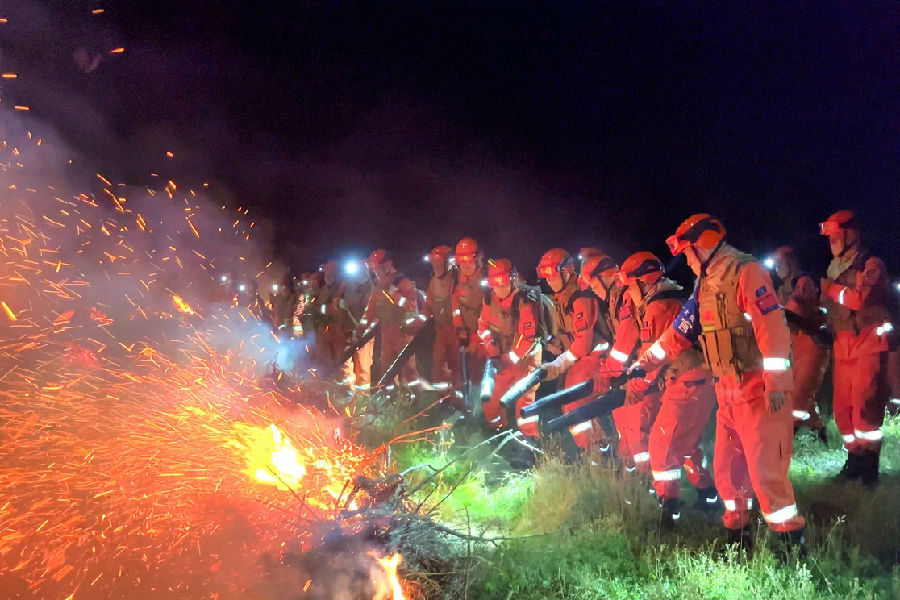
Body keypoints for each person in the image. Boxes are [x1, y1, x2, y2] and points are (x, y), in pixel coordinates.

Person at [636, 214, 805, 552]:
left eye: (687, 252)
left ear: (703, 245)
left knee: (766, 472)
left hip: (757, 389)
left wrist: (775, 380)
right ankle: (738, 539)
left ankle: (791, 545)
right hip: (726, 391)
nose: (685, 259)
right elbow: (680, 332)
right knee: (728, 470)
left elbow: (772, 326)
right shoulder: (705, 284)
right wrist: (645, 362)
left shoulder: (746, 272)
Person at [615, 252, 718, 528]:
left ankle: (668, 514)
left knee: (661, 447)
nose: (628, 293)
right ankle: (708, 495)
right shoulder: (669, 300)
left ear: (642, 283)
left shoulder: (658, 307)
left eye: (630, 286)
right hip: (693, 381)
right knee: (686, 444)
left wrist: (636, 387)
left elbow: (652, 356)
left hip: (687, 382)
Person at [819, 210, 892, 486]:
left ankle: (869, 469)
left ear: (851, 234)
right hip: (843, 344)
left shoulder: (871, 264)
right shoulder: (834, 269)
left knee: (866, 408)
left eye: (836, 236)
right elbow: (832, 308)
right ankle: (854, 460)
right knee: (842, 409)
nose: (832, 242)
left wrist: (831, 290)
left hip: (868, 343)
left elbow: (859, 300)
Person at [537, 248, 611, 451]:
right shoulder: (563, 297)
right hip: (581, 358)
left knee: (573, 403)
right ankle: (598, 448)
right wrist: (556, 345)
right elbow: (571, 336)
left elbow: (583, 343)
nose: (548, 279)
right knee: (568, 400)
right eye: (544, 274)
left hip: (595, 356)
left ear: (567, 271)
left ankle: (594, 450)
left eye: (552, 273)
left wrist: (558, 365)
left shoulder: (580, 296)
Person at [476, 259, 542, 439]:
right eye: (494, 282)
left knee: (524, 402)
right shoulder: (489, 300)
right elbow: (483, 326)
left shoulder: (525, 301)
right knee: (490, 400)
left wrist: (507, 359)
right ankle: (497, 431)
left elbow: (527, 338)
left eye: (503, 280)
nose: (499, 287)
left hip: (526, 360)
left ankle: (530, 440)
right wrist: (491, 345)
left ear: (512, 278)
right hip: (502, 358)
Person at [772, 246, 829, 439]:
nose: (777, 268)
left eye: (780, 263)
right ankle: (818, 433)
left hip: (811, 343)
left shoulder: (804, 282)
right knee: (800, 393)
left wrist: (775, 313)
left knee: (798, 396)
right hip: (795, 344)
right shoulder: (782, 289)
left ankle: (786, 439)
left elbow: (794, 312)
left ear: (791, 262)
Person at [361, 249, 421, 385]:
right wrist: (359, 330)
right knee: (386, 371)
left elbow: (410, 306)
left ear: (387, 264)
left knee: (409, 371)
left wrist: (391, 292)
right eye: (374, 269)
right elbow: (370, 312)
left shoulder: (403, 283)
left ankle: (414, 395)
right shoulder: (378, 287)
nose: (375, 272)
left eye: (377, 268)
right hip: (387, 335)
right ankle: (389, 395)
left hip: (403, 335)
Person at [451, 237, 487, 396]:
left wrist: (475, 339)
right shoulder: (459, 277)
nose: (464, 264)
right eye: (461, 260)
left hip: (483, 335)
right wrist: (459, 326)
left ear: (478, 258)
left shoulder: (487, 279)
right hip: (464, 331)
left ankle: (479, 405)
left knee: (480, 371)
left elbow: (490, 313)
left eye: (468, 259)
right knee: (463, 369)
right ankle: (466, 400)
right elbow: (455, 302)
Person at [424, 246, 461, 392]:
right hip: (440, 329)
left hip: (457, 331)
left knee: (457, 363)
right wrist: (422, 321)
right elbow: (428, 304)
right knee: (439, 362)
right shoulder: (433, 282)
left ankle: (459, 395)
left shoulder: (458, 279)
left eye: (439, 261)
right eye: (433, 261)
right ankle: (443, 396)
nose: (436, 265)